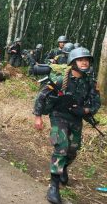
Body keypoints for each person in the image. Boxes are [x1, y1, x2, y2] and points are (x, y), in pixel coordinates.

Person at [33, 47, 100, 204]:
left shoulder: (90, 82)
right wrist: (38, 117)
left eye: (87, 60)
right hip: (59, 116)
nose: (84, 62)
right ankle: (54, 187)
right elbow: (41, 97)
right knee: (61, 147)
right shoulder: (60, 79)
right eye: (80, 60)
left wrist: (85, 110)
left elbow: (96, 103)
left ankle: (62, 168)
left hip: (76, 119)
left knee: (73, 150)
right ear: (73, 62)